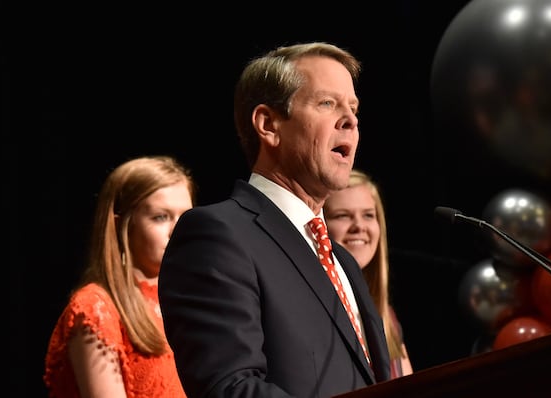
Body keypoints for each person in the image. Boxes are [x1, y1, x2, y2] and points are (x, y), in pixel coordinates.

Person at [158, 42, 391, 398]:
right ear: (268, 125)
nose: (351, 120)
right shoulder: (218, 236)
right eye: (327, 103)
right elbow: (230, 388)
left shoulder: (342, 260)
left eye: (354, 108)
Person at [43, 155, 195, 398]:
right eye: (160, 217)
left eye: (185, 217)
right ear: (121, 224)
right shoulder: (96, 308)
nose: (177, 230)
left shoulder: (188, 298)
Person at [323, 168, 414, 378]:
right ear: (321, 226)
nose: (359, 226)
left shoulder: (386, 316)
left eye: (368, 215)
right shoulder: (318, 307)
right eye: (342, 215)